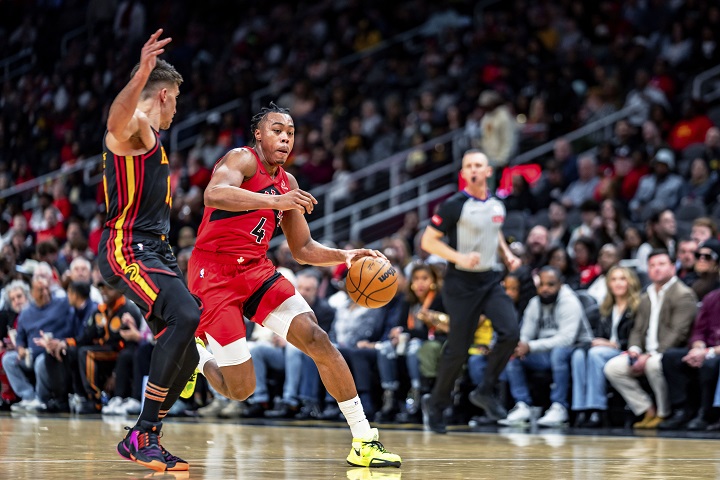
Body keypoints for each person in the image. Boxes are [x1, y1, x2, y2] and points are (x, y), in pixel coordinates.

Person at [188, 102, 401, 468]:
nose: (285, 138)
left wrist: (346, 255)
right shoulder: (242, 160)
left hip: (256, 271)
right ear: (259, 134)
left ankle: (364, 439)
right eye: (277, 130)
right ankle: (199, 357)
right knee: (241, 390)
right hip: (214, 275)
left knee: (318, 338)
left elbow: (302, 249)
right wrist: (275, 200)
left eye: (290, 133)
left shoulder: (289, 184)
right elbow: (214, 195)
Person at [97, 29, 199, 473]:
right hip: (128, 248)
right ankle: (143, 433)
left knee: (188, 350)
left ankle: (146, 436)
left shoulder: (153, 139)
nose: (176, 110)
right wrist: (139, 73)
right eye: (175, 100)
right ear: (163, 94)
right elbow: (114, 123)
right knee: (187, 316)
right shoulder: (136, 128)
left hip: (156, 251)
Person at [420, 149, 521, 433]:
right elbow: (428, 241)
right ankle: (436, 404)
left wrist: (506, 254)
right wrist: (459, 257)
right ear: (463, 173)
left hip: (489, 280)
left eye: (479, 165)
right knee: (458, 349)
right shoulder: (454, 205)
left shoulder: (497, 205)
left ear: (488, 171)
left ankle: (485, 390)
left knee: (511, 332)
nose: (474, 170)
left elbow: (494, 231)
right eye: (469, 166)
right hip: (461, 283)